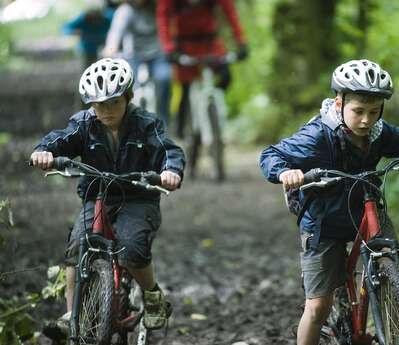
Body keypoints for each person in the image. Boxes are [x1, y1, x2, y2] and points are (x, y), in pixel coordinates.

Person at [259, 59, 399, 345]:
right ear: (339, 103)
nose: (365, 120)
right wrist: (285, 171)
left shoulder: (379, 132)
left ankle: (397, 325)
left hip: (367, 206)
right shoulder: (316, 136)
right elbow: (270, 155)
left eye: (373, 112)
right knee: (318, 306)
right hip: (324, 218)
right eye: (358, 111)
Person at [30, 58, 185, 332]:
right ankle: (72, 317)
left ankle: (152, 297)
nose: (106, 110)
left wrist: (170, 171)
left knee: (132, 248)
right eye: (99, 104)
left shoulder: (146, 125)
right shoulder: (83, 125)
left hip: (138, 197)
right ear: (90, 104)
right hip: (96, 196)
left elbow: (169, 151)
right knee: (77, 246)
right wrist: (44, 152)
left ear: (128, 97)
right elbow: (60, 139)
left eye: (114, 102)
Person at [156, 0, 249, 138]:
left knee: (225, 77)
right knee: (185, 90)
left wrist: (241, 42)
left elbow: (230, 12)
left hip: (210, 45)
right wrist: (168, 48)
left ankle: (214, 113)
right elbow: (163, 17)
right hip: (184, 47)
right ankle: (183, 132)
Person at [103, 0, 172, 125]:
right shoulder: (125, 11)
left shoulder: (159, 7)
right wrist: (110, 50)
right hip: (134, 55)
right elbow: (115, 33)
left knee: (164, 80)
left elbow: (169, 25)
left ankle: (164, 124)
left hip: (158, 54)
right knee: (130, 89)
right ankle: (130, 125)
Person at [62, 0, 114, 69]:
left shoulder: (108, 18)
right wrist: (75, 32)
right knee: (87, 69)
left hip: (103, 48)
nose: (95, 19)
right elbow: (65, 28)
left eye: (97, 15)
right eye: (93, 15)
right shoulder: (82, 19)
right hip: (87, 50)